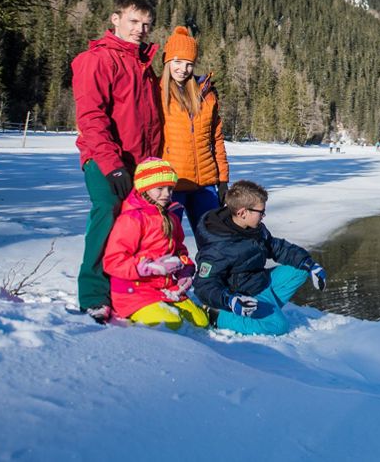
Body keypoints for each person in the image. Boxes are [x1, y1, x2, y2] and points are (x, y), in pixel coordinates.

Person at [71, 0, 161, 324]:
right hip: (105, 159)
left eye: (147, 24)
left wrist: (152, 165)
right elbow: (91, 117)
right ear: (115, 19)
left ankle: (126, 288)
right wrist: (112, 165)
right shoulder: (97, 60)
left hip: (139, 162)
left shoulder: (143, 66)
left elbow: (150, 122)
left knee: (134, 227)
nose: (141, 30)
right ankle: (93, 293)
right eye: (134, 22)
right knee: (106, 216)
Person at [193, 180, 327, 336]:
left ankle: (264, 308)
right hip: (240, 293)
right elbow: (203, 284)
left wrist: (310, 264)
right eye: (260, 212)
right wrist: (229, 300)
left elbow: (276, 247)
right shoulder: (218, 245)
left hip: (258, 281)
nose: (263, 216)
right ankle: (217, 316)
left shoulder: (254, 228)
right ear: (243, 213)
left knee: (301, 269)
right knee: (278, 326)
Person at [103, 159, 209, 330]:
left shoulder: (171, 217)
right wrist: (147, 268)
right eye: (159, 188)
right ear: (144, 188)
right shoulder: (132, 219)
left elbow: (179, 249)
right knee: (170, 324)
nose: (166, 194)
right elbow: (112, 261)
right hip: (133, 292)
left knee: (201, 322)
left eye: (170, 188)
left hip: (165, 288)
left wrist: (185, 270)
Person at [159, 26, 229, 234]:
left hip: (205, 185)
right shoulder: (157, 94)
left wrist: (223, 180)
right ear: (167, 61)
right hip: (171, 185)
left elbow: (216, 139)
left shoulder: (206, 95)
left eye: (189, 64)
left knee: (214, 244)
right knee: (167, 243)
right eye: (177, 62)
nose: (183, 69)